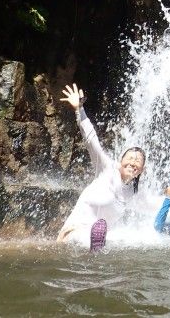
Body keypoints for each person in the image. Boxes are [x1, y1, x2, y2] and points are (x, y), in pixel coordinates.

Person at [56, 83, 145, 252]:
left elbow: (151, 205)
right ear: (120, 161)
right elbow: (91, 140)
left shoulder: (132, 191)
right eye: (130, 158)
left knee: (115, 243)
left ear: (141, 170)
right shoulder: (107, 169)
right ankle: (95, 244)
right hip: (74, 233)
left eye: (138, 161)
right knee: (83, 240)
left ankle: (97, 245)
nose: (133, 163)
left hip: (96, 241)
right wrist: (79, 109)